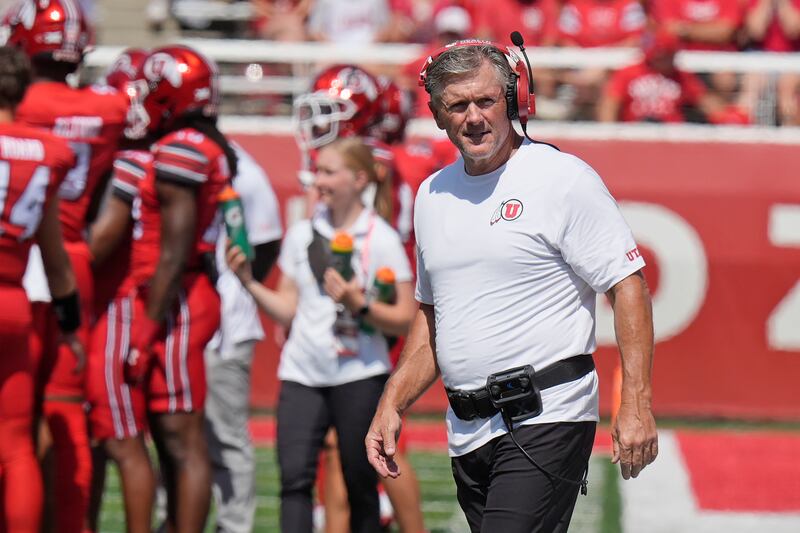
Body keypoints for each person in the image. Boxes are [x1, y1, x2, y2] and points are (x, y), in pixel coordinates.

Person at [366, 40, 658, 532]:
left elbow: (627, 286)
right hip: (467, 433)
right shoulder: (431, 195)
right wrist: (391, 402)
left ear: (514, 100)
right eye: (458, 105)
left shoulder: (561, 178)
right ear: (438, 115)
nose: (474, 117)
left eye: (487, 101)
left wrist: (635, 402)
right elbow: (433, 318)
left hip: (547, 416)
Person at [227, 136, 416, 533]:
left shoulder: (380, 237)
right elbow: (288, 308)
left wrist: (358, 302)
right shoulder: (302, 234)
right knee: (294, 481)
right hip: (302, 373)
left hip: (360, 373)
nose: (319, 181)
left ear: (359, 178)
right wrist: (248, 282)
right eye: (318, 172)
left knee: (360, 483)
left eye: (329, 172)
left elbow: (405, 318)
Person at [2, 2, 128, 531]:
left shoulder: (25, 109)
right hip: (65, 267)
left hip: (19, 270)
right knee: (57, 413)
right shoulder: (109, 110)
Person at [123, 45, 234, 532]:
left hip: (178, 299)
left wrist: (144, 330)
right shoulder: (196, 140)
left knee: (180, 434)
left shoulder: (183, 146)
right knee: (169, 432)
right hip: (180, 294)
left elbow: (174, 249)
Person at [0, 44, 84, 533]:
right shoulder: (46, 152)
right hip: (12, 302)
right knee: (14, 443)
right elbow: (55, 260)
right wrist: (70, 326)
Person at [84, 47, 153, 533]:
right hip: (109, 305)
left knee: (122, 439)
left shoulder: (133, 161)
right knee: (95, 438)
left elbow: (99, 244)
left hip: (119, 307)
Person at [204, 142, 282, 533]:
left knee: (227, 436)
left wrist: (238, 287)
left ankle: (234, 526)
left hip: (225, 324)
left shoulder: (240, 168)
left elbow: (267, 241)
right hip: (183, 321)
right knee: (177, 437)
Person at [597, 31, 749, 124]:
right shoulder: (629, 72)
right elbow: (610, 103)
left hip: (670, 134)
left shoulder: (680, 75)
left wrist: (731, 118)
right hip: (636, 132)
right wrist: (610, 134)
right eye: (664, 56)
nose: (668, 60)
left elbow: (706, 101)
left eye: (670, 55)